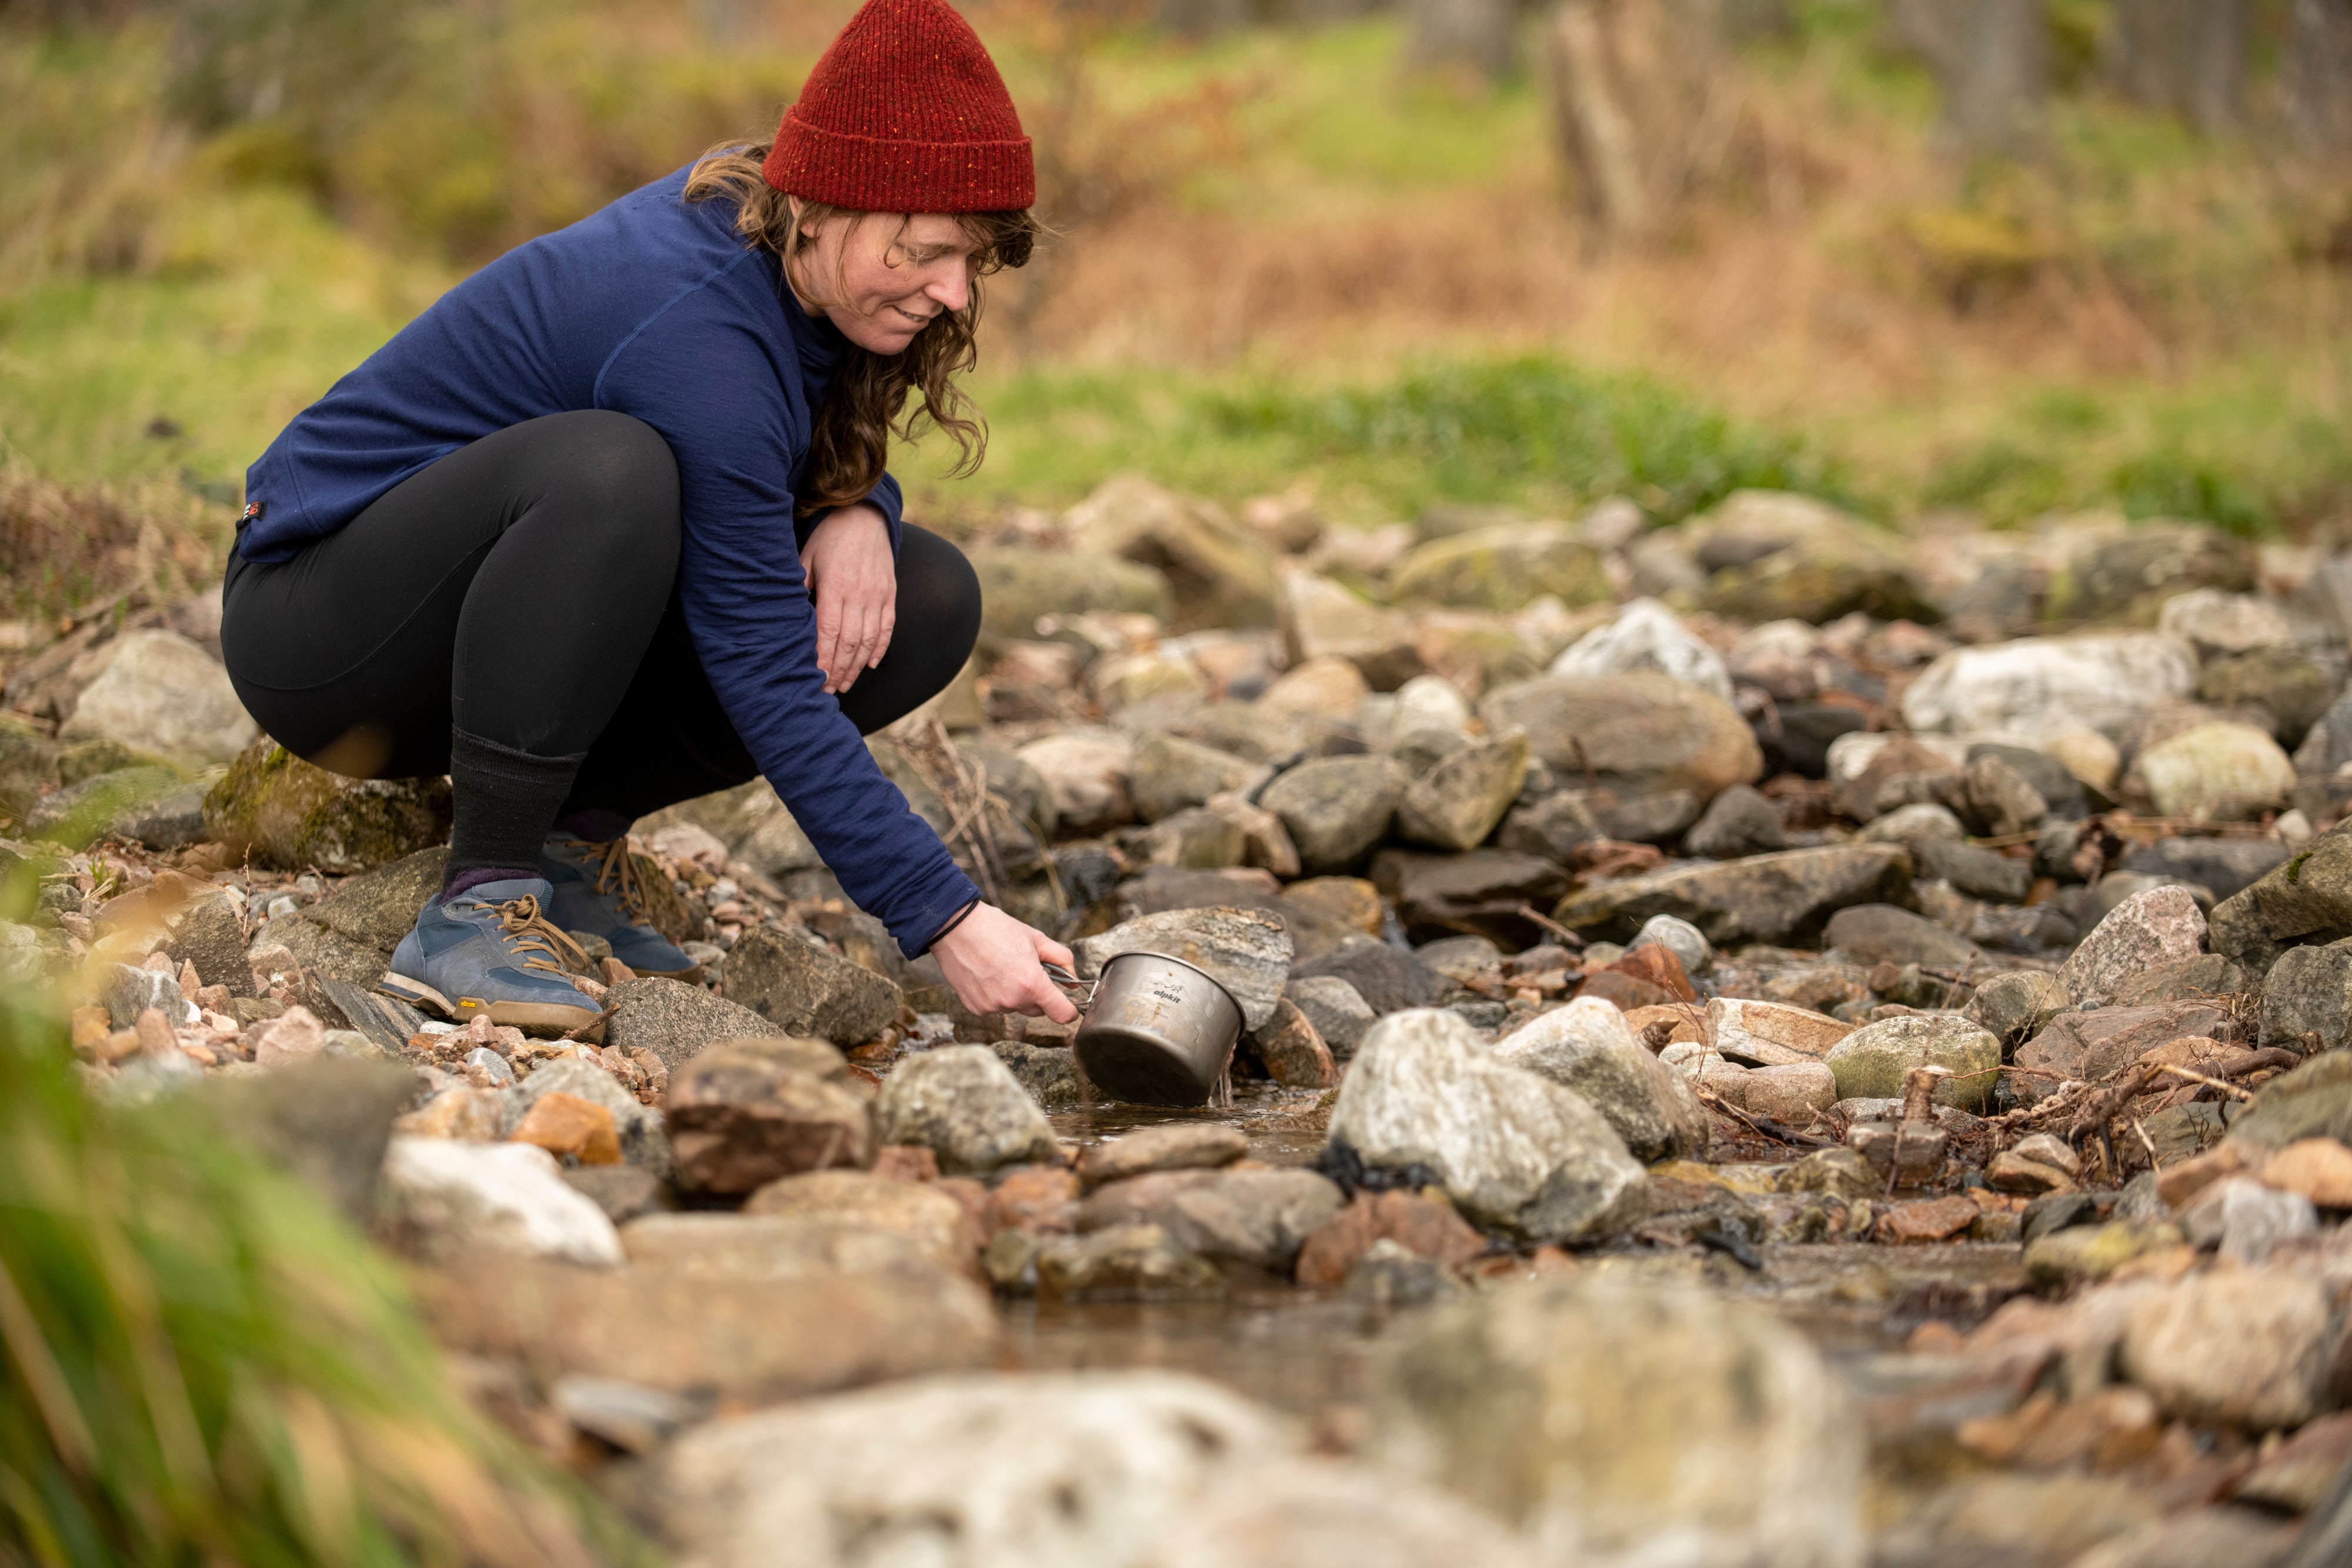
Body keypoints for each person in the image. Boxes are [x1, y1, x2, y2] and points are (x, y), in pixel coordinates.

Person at [218, 0, 1081, 1039]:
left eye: (970, 262)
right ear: (828, 205)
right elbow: (762, 661)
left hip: (496, 629)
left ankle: (566, 850)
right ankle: (475, 907)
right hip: (319, 630)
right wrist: (947, 918)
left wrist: (861, 504)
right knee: (612, 472)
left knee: (928, 592)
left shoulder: (809, 275)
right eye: (928, 252)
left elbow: (766, 467)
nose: (950, 291)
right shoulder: (692, 316)